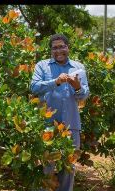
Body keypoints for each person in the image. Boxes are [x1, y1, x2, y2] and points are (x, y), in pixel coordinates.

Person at [30, 34, 89, 191]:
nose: (59, 50)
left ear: (68, 47)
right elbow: (34, 87)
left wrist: (77, 86)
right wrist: (55, 81)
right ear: (50, 50)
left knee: (68, 169)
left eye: (62, 46)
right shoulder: (42, 66)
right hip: (47, 126)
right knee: (46, 168)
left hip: (71, 126)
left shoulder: (79, 68)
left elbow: (83, 95)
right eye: (54, 47)